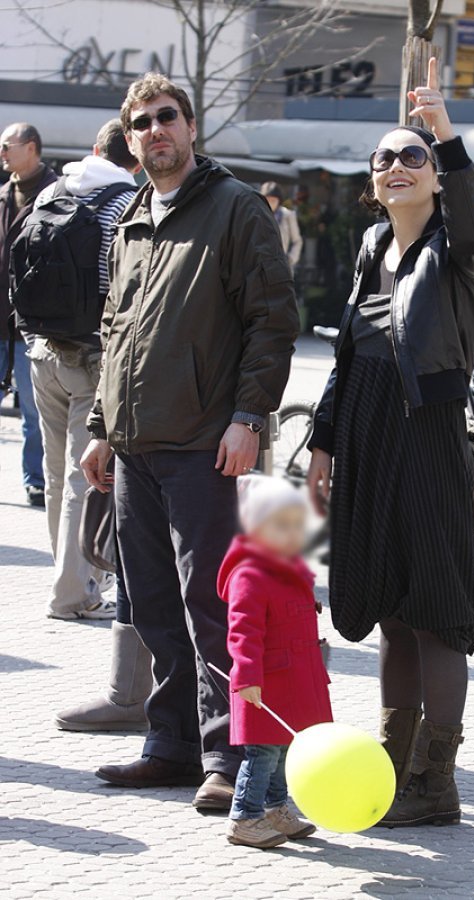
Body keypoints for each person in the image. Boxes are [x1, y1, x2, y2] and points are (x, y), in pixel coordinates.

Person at [81, 74, 299, 807]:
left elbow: (272, 321)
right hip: (134, 447)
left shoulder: (236, 208)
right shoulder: (132, 216)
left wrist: (249, 417)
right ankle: (170, 745)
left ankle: (228, 756)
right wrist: (100, 428)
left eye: (166, 116)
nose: (155, 131)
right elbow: (115, 329)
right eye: (141, 123)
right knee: (151, 604)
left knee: (211, 604)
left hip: (206, 442)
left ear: (191, 126)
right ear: (130, 139)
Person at [307, 58, 474, 828]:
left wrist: (442, 129)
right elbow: (349, 352)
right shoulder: (370, 245)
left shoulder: (456, 249)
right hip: (366, 432)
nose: (397, 166)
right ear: (372, 183)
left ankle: (434, 783)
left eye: (412, 156)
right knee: (388, 605)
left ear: (436, 177)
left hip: (425, 434)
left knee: (435, 609)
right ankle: (393, 765)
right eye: (384, 158)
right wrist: (323, 440)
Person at [28, 120, 140, 623]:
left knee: (57, 476)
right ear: (134, 157)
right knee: (86, 476)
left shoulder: (52, 190)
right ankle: (73, 592)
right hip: (92, 355)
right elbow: (123, 285)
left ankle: (67, 577)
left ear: (96, 148)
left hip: (42, 349)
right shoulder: (126, 202)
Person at [221, 475, 332, 849]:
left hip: (293, 682)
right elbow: (243, 630)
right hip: (266, 684)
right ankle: (245, 816)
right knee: (262, 754)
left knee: (286, 748)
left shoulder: (290, 568)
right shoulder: (250, 574)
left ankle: (274, 808)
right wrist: (246, 675)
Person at [0, 123, 56, 507]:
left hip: (31, 327)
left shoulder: (55, 194)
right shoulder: (3, 194)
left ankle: (35, 480)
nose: (3, 153)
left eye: (8, 145)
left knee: (34, 413)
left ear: (31, 147)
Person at [260, 182, 303, 270]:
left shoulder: (287, 215)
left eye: (273, 200)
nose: (270, 203)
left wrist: (290, 259)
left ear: (279, 200)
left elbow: (297, 241)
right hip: (261, 265)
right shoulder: (258, 215)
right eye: (268, 200)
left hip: (281, 265)